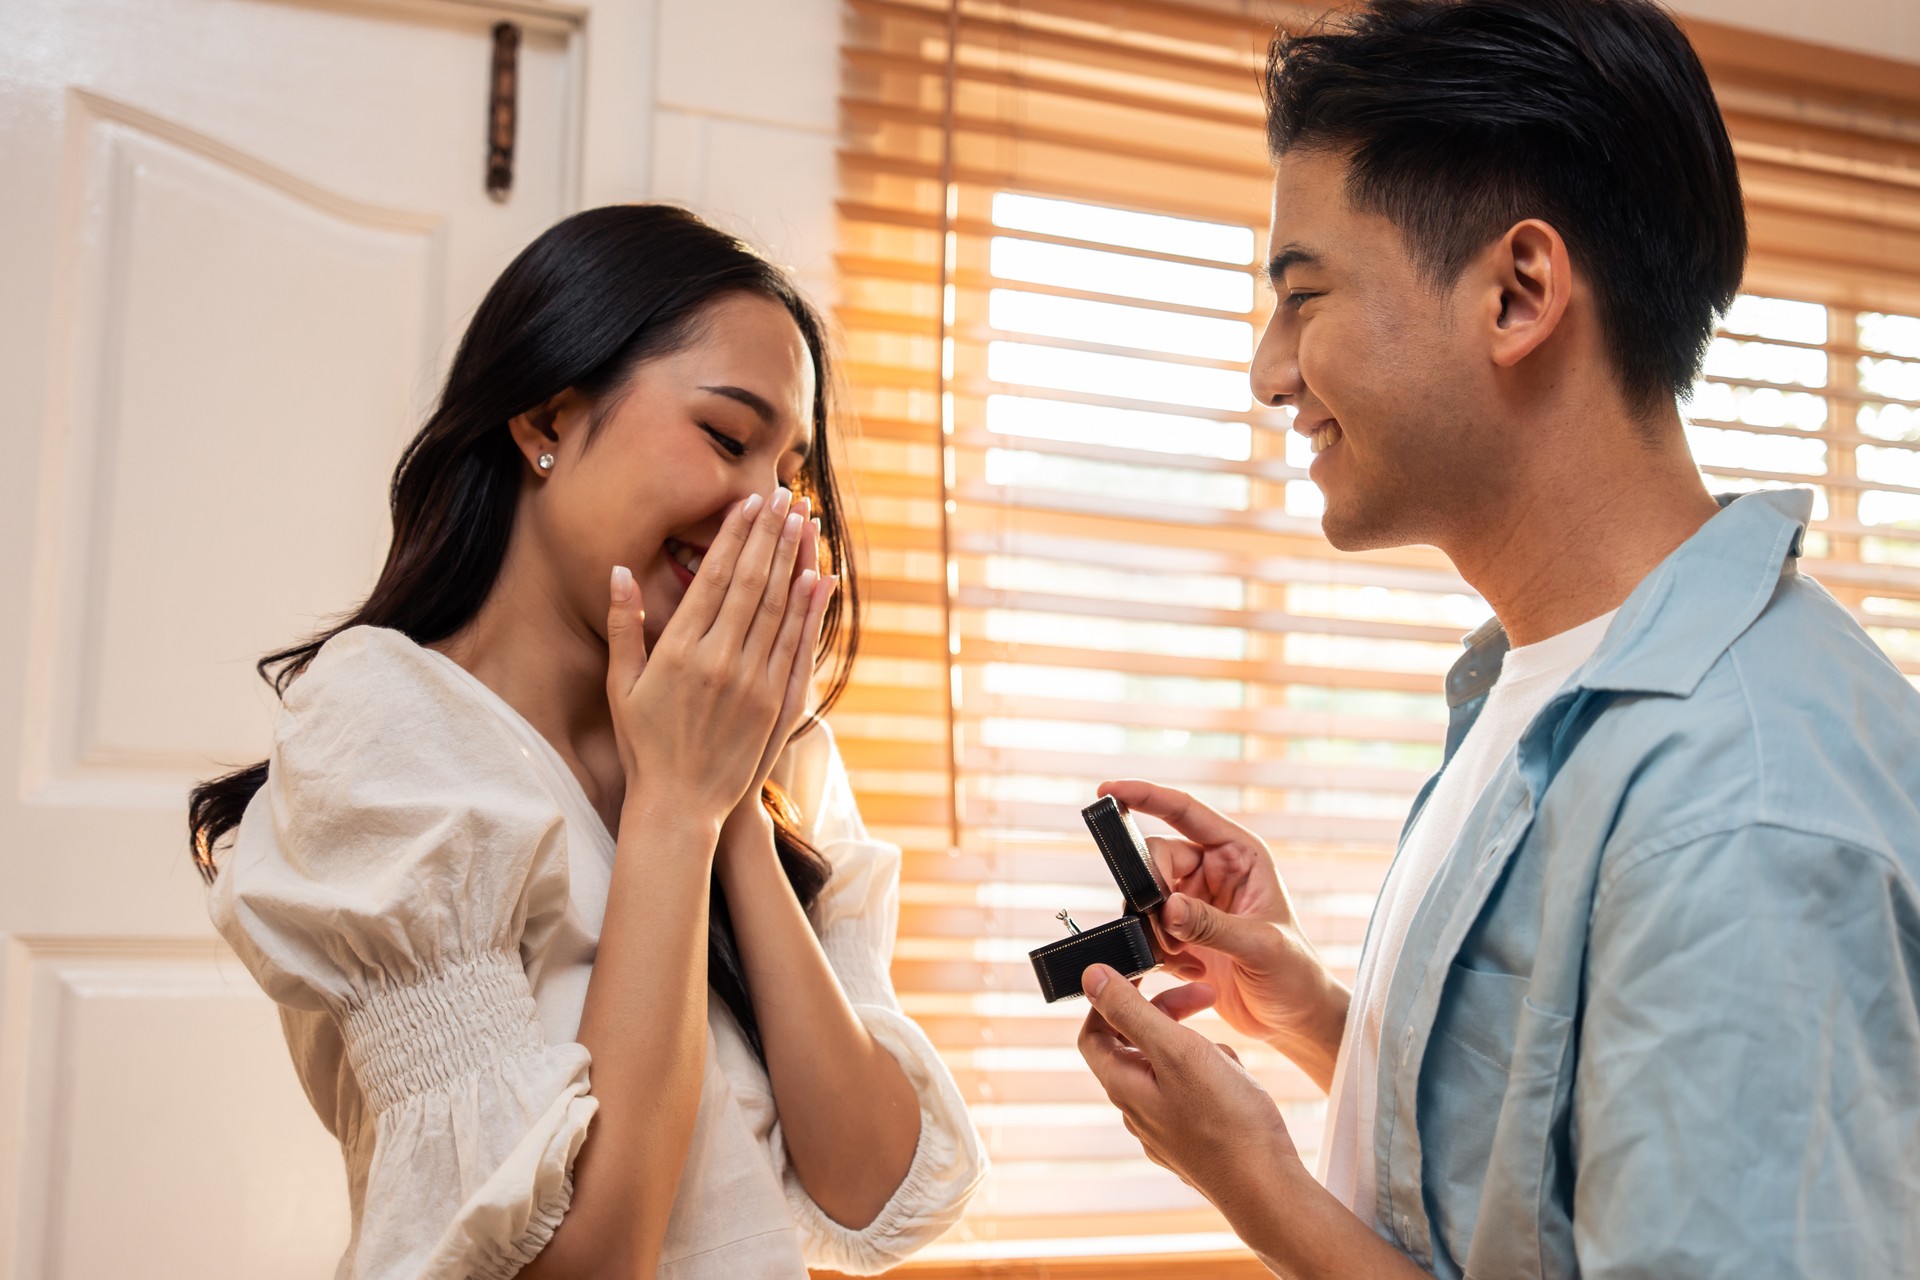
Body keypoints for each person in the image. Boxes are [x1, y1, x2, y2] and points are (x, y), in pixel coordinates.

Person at [1072, 2, 1920, 1276]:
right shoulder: (1548, 686)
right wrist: (1319, 1022)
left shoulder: (1742, 807)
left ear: (1519, 293)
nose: (1268, 370)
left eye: (1303, 298)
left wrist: (1254, 1183)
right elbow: (1549, 1170)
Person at [191, 204, 985, 1280]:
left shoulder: (769, 750)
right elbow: (582, 1260)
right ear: (547, 421)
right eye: (725, 436)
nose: (766, 508)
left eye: (789, 472)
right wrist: (675, 806)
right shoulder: (384, 725)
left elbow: (873, 1181)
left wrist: (731, 798)